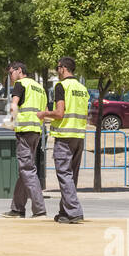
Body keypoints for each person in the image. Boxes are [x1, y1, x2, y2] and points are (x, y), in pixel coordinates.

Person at [42, 56, 87, 223]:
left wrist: (44, 113)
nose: (57, 71)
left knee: (64, 175)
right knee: (70, 176)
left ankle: (74, 211)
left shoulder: (61, 86)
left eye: (57, 67)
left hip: (64, 136)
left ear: (63, 68)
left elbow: (60, 113)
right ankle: (65, 212)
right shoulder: (82, 88)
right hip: (78, 136)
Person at [4, 61, 48, 218]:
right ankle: (17, 209)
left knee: (27, 170)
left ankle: (39, 209)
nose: (10, 77)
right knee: (26, 169)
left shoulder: (20, 84)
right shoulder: (39, 88)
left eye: (10, 73)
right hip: (36, 131)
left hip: (24, 130)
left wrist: (10, 121)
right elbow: (46, 112)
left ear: (19, 70)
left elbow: (13, 105)